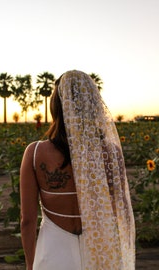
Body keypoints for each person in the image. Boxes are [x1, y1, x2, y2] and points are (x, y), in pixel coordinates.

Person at [20, 70, 135, 270]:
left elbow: (27, 221)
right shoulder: (110, 152)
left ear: (56, 107)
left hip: (54, 252)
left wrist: (30, 265)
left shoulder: (35, 153)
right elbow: (121, 211)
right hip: (99, 250)